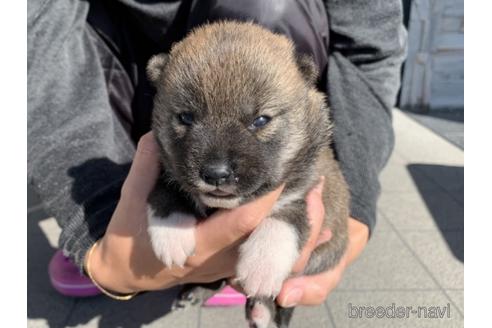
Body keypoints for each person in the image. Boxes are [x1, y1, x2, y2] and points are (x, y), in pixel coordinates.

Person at [28, 0, 407, 308]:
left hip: (274, 30)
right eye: (186, 119)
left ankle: (226, 262)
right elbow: (30, 38)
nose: (218, 166)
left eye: (260, 121)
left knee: (267, 6)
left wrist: (356, 210)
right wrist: (95, 225)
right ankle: (126, 218)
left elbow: (370, 45)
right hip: (118, 71)